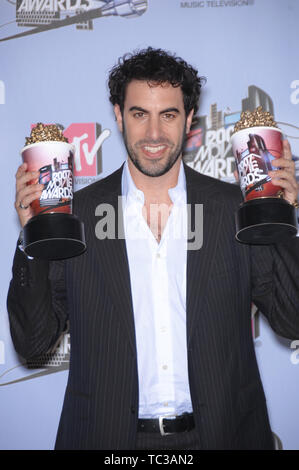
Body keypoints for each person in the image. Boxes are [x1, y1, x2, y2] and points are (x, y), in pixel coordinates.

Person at [7, 47, 299, 450]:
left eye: (169, 115)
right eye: (139, 114)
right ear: (118, 114)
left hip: (225, 436)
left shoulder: (236, 210)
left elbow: (293, 321)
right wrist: (32, 236)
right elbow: (33, 345)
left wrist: (280, 217)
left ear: (190, 119)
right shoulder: (79, 216)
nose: (154, 135)